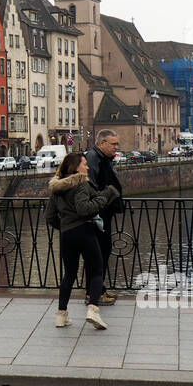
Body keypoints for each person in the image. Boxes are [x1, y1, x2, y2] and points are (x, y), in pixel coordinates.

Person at [46, 151, 120, 331]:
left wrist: (65, 226)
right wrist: (106, 195)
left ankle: (61, 315)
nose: (87, 167)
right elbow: (84, 209)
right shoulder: (81, 183)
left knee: (69, 274)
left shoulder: (57, 188)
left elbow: (50, 216)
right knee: (96, 270)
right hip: (84, 231)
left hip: (67, 234)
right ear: (75, 166)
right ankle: (93, 310)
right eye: (84, 163)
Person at [83, 129, 125, 305]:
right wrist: (103, 199)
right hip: (98, 214)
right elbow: (91, 184)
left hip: (104, 212)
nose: (116, 147)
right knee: (98, 254)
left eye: (117, 144)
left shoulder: (103, 158)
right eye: (113, 144)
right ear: (102, 143)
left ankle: (99, 289)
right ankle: (93, 293)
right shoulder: (93, 158)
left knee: (103, 252)